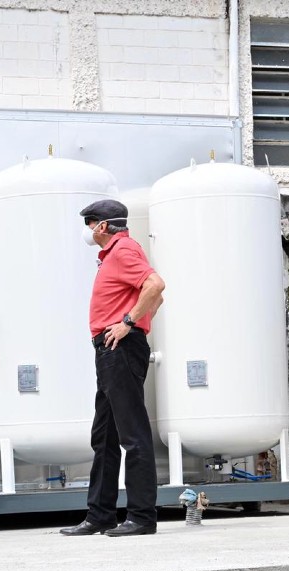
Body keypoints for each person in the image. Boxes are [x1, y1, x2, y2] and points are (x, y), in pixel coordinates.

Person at [60, 199, 165, 537]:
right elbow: (155, 299)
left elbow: (156, 287)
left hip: (119, 347)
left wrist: (128, 325)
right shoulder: (113, 256)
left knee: (132, 434)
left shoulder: (123, 250)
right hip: (110, 349)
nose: (88, 232)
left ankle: (141, 517)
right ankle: (100, 515)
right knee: (104, 437)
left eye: (89, 224)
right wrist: (133, 323)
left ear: (102, 226)